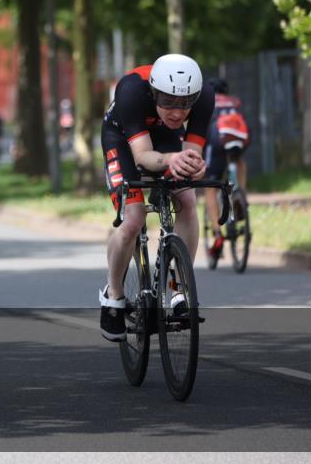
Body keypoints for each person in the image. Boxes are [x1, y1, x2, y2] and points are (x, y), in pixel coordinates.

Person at [98, 54, 215, 341]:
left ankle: (177, 288)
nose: (177, 112)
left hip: (164, 138)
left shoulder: (205, 96)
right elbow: (144, 157)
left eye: (186, 104)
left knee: (187, 201)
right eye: (168, 102)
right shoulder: (132, 92)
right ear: (153, 92)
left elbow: (191, 153)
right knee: (134, 218)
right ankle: (113, 294)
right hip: (124, 139)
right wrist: (173, 159)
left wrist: (193, 165)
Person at [203, 77, 251, 259]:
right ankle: (240, 195)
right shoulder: (235, 101)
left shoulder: (207, 102)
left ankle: (217, 234)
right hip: (239, 138)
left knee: (210, 186)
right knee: (239, 161)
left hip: (216, 140)